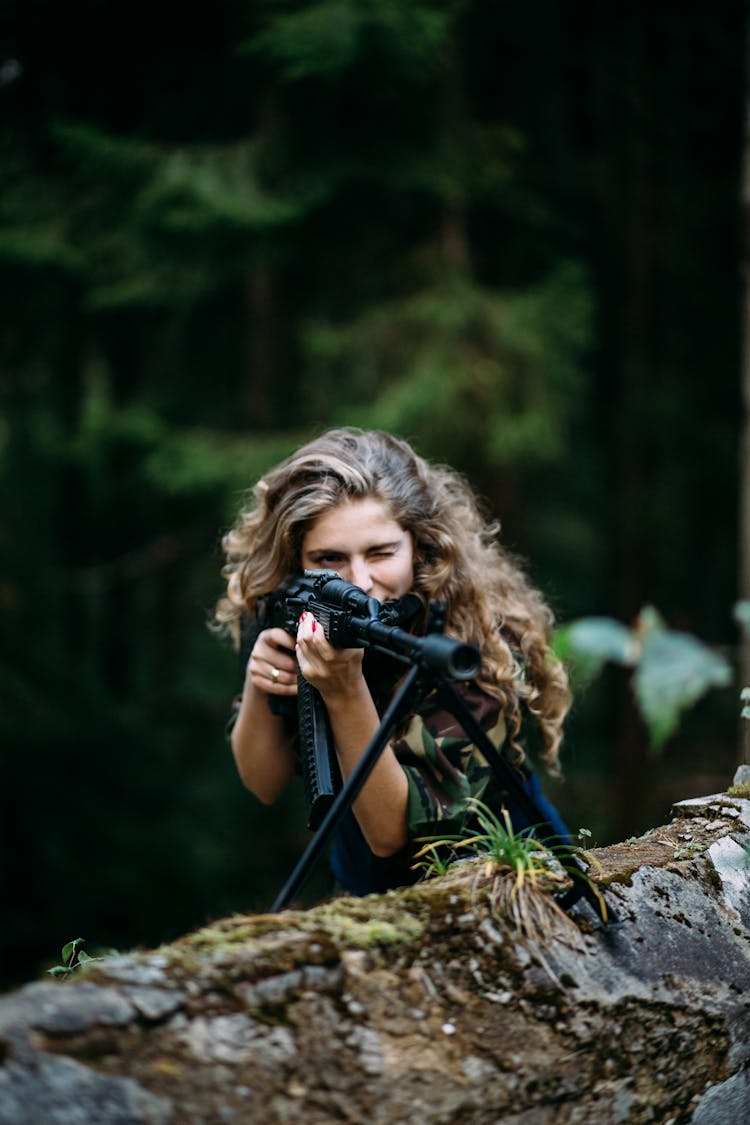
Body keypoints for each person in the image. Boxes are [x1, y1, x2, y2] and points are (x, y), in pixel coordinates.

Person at [214, 428, 571, 896]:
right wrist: (264, 682)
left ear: (420, 547)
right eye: (329, 559)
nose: (359, 581)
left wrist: (344, 692)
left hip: (507, 885)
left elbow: (391, 835)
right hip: (367, 899)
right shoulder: (288, 608)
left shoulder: (472, 642)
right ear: (296, 561)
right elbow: (263, 783)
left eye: (381, 553)